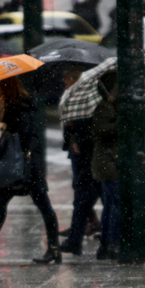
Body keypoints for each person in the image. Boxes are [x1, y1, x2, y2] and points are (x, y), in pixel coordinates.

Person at [0, 77, 60, 263]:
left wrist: (2, 126)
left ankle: (54, 249)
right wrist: (0, 123)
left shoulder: (18, 107)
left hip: (27, 165)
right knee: (1, 202)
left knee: (43, 205)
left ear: (7, 88)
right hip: (18, 165)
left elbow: (21, 136)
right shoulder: (10, 106)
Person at [60, 67, 101, 257]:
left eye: (67, 80)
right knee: (84, 196)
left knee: (84, 196)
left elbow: (90, 129)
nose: (64, 84)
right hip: (85, 155)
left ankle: (79, 237)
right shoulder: (74, 100)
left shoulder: (87, 101)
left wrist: (77, 137)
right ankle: (81, 233)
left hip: (88, 156)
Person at [91, 70, 120, 260]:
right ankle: (112, 243)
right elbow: (102, 130)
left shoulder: (112, 107)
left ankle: (106, 244)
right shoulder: (104, 107)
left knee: (111, 204)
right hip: (107, 162)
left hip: (108, 161)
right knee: (115, 203)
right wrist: (121, 122)